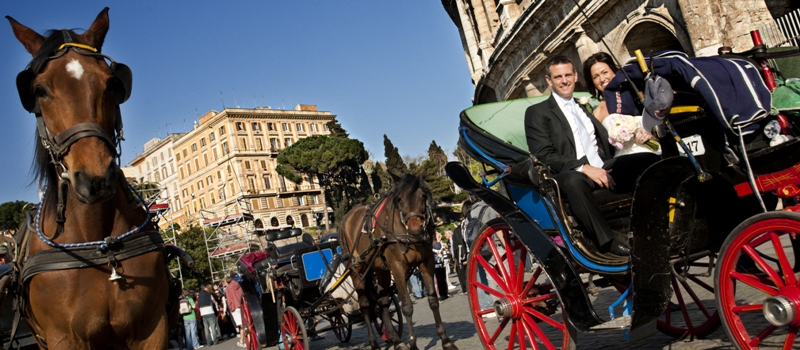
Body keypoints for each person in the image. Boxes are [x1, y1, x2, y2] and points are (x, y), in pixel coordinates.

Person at [525, 55, 660, 256]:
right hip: (573, 173)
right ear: (549, 80)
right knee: (573, 180)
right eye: (558, 77)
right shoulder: (537, 112)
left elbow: (603, 143)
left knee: (649, 161)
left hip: (604, 166)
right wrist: (584, 167)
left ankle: (655, 222)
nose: (564, 80)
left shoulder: (583, 108)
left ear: (575, 76)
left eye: (568, 75)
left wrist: (635, 134)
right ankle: (607, 242)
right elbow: (543, 153)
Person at [583, 52, 658, 156]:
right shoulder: (597, 113)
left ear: (614, 71)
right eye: (595, 76)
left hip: (655, 152)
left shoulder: (635, 94)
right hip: (625, 160)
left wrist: (652, 136)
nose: (602, 79)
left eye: (605, 72)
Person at [451, 200, 473, 294]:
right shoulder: (467, 224)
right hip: (470, 251)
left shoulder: (460, 227)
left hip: (465, 253)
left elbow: (455, 245)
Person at [225, 275, 246, 348]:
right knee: (245, 323)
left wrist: (230, 308)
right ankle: (244, 340)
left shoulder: (228, 288)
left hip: (235, 306)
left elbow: (229, 299)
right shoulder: (239, 285)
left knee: (241, 325)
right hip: (242, 305)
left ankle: (242, 340)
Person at [431, 232, 449, 301]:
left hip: (442, 263)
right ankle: (442, 294)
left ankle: (445, 292)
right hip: (436, 264)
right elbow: (436, 249)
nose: (440, 235)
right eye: (438, 234)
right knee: (439, 280)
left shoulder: (439, 243)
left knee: (444, 278)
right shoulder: (433, 244)